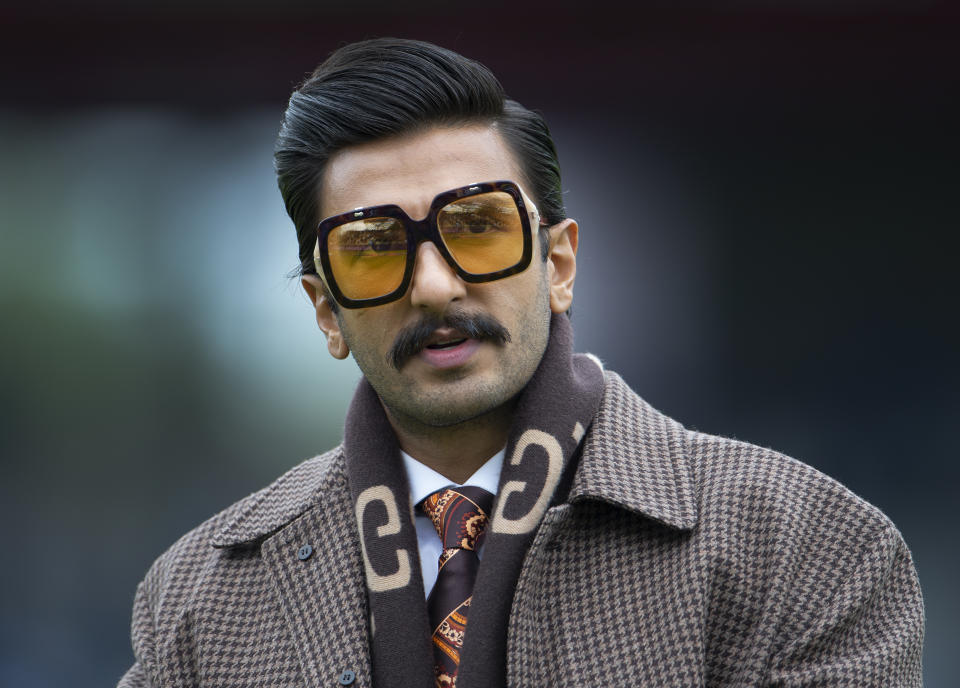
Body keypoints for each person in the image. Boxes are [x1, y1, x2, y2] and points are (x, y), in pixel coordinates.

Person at [118, 38, 923, 688]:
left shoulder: (802, 549)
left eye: (478, 227)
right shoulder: (200, 602)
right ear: (327, 312)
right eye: (371, 251)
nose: (435, 286)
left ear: (559, 265)